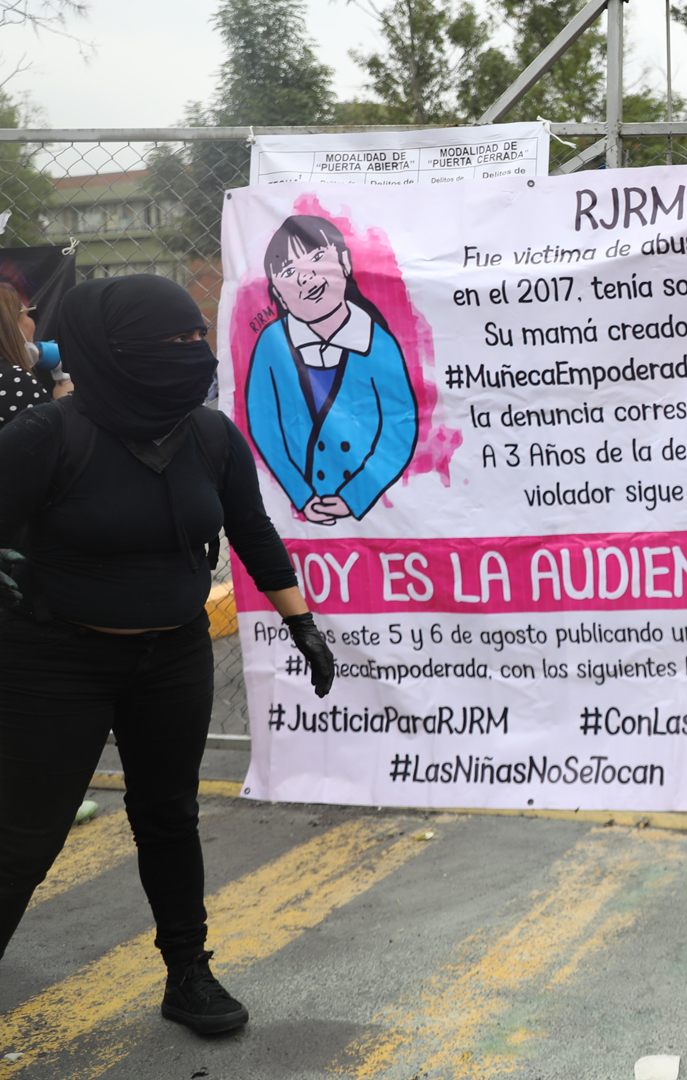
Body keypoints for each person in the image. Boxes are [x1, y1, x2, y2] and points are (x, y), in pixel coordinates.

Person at [0, 275, 336, 1033]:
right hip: (54, 661)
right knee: (23, 838)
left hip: (173, 656)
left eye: (197, 337)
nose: (193, 353)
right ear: (113, 350)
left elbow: (252, 532)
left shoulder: (210, 435)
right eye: (171, 340)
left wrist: (303, 626)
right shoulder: (46, 435)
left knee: (169, 817)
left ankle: (189, 974)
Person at [244, 214, 418, 526]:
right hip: (301, 504)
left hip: (366, 499)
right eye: (288, 272)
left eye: (317, 259)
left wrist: (355, 495)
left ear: (345, 263)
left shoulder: (377, 343)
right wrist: (302, 496)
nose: (306, 278)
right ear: (279, 294)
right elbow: (264, 426)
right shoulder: (271, 344)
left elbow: (399, 427)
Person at [0, 287, 51, 427]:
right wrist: (65, 391)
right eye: (29, 314)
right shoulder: (14, 382)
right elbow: (54, 433)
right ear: (9, 324)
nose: (33, 322)